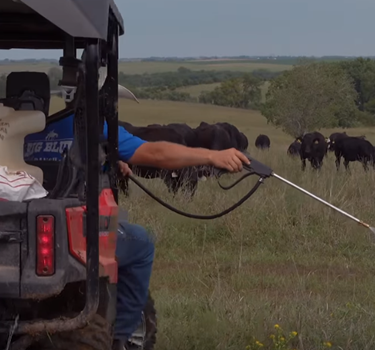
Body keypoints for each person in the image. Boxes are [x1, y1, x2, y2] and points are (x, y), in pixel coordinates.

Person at [25, 113, 250, 349]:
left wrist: (110, 160)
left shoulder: (22, 129)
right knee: (142, 242)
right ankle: (121, 338)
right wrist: (212, 156)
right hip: (69, 229)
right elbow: (154, 153)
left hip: (20, 228)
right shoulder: (89, 123)